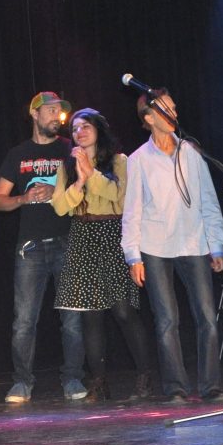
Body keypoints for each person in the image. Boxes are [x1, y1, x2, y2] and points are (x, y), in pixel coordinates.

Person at [122, 89, 223, 404]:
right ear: (149, 117)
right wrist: (133, 255)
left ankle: (210, 386)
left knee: (207, 317)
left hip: (194, 243)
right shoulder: (138, 160)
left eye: (174, 108)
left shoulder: (191, 153)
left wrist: (216, 245)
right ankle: (176, 387)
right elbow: (132, 210)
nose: (173, 114)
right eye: (165, 109)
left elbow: (209, 200)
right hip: (155, 247)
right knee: (167, 320)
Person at [52, 108, 153, 402]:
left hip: (113, 234)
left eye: (85, 126)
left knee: (123, 310)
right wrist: (79, 181)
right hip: (82, 235)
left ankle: (144, 375)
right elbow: (60, 207)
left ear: (99, 130)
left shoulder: (120, 161)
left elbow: (120, 198)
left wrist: (91, 173)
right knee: (90, 315)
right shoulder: (66, 167)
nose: (79, 133)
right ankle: (98, 382)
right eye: (75, 129)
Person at [0, 91, 86, 403]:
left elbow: (88, 188)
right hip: (30, 246)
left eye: (60, 111)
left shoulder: (70, 149)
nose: (57, 116)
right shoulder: (18, 154)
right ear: (34, 114)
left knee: (72, 319)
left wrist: (58, 189)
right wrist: (23, 197)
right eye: (50, 110)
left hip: (67, 241)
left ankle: (73, 378)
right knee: (23, 321)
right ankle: (22, 382)